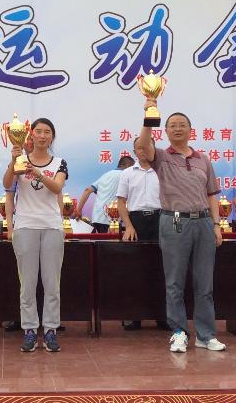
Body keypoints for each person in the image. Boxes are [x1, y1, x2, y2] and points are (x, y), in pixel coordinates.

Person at [139, 105, 226, 353]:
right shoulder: (161, 157)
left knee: (204, 283)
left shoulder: (203, 160)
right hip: (174, 221)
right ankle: (178, 332)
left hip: (204, 222)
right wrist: (149, 116)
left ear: (190, 130)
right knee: (175, 282)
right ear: (165, 131)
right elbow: (144, 145)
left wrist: (217, 225)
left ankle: (206, 335)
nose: (178, 129)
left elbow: (211, 195)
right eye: (173, 125)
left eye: (182, 125)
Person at [3, 118, 68, 353]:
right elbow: (7, 184)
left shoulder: (60, 163)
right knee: (27, 284)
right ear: (30, 135)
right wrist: (14, 162)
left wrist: (38, 173)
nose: (42, 135)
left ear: (52, 137)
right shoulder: (21, 161)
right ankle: (30, 330)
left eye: (47, 132)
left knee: (51, 283)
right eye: (38, 131)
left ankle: (50, 330)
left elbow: (57, 187)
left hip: (51, 226)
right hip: (25, 226)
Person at [115, 136, 166, 331]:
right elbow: (121, 202)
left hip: (161, 219)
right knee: (134, 269)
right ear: (134, 151)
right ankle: (133, 315)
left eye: (146, 147)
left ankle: (162, 316)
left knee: (161, 269)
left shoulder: (163, 170)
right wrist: (128, 226)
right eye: (139, 148)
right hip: (136, 222)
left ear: (154, 149)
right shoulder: (127, 173)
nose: (143, 151)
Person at [74, 156, 135, 232]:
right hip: (112, 221)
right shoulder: (126, 176)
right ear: (128, 166)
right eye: (133, 168)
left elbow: (87, 190)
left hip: (96, 219)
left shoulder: (106, 175)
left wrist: (78, 211)